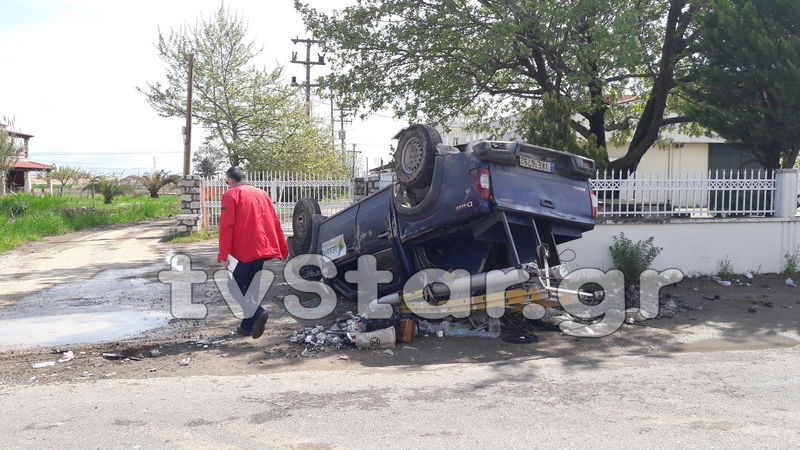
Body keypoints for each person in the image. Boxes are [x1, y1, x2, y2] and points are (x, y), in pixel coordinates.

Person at [218, 166, 289, 338]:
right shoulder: (262, 194)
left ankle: (257, 313)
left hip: (241, 250)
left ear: (232, 180)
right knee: (252, 288)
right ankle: (247, 326)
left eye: (227, 182)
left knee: (234, 288)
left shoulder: (231, 195)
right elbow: (274, 221)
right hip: (261, 247)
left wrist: (224, 255)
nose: (227, 185)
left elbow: (226, 227)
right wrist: (283, 247)